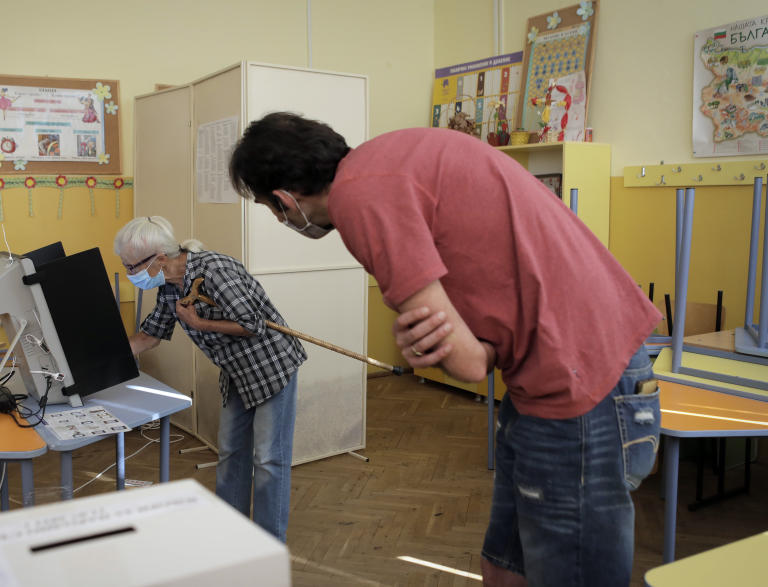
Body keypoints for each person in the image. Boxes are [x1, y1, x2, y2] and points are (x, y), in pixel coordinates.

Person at [229, 112, 663, 585]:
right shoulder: (392, 155)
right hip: (567, 365)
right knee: (503, 566)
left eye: (273, 209)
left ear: (284, 198)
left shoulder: (359, 198)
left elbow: (471, 364)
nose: (281, 219)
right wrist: (468, 347)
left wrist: (443, 350)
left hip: (581, 378)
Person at [114, 216, 306, 542]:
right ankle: (230, 535)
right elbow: (150, 336)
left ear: (160, 258)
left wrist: (200, 324)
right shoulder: (168, 285)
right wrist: (105, 360)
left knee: (270, 460)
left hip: (272, 368)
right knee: (231, 452)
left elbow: (253, 323)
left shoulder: (215, 272)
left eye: (132, 267)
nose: (131, 274)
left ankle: (268, 543)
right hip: (237, 373)